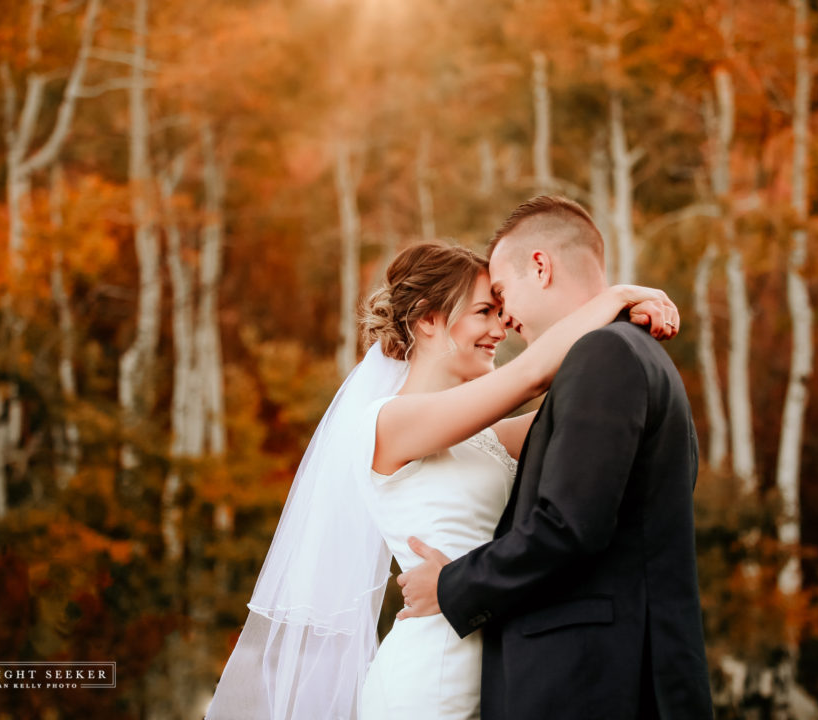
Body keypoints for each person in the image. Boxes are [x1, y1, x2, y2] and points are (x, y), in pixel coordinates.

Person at [204, 239, 680, 720]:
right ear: (428, 320)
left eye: (500, 312)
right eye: (483, 312)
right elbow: (535, 375)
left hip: (496, 669)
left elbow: (577, 395)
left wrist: (626, 333)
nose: (501, 328)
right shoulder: (387, 424)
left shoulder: (489, 435)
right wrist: (616, 297)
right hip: (429, 681)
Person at [397, 196, 714, 719]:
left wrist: (451, 585)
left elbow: (567, 525)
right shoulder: (633, 356)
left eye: (500, 294)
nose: (505, 320)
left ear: (540, 266)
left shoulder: (605, 354)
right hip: (613, 671)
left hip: (591, 681)